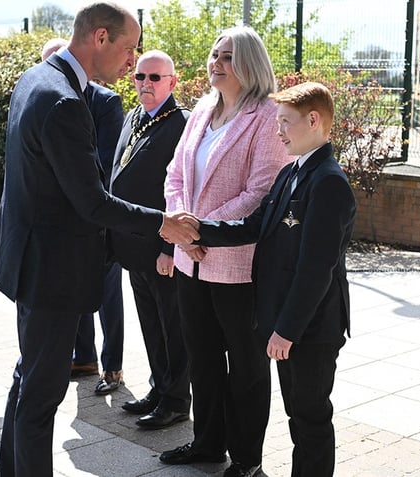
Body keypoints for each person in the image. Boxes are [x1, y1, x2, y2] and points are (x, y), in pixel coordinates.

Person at [0, 3, 199, 475]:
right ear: (100, 37)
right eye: (128, 49)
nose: (132, 64)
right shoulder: (64, 100)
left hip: (30, 261)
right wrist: (163, 224)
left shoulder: (34, 77)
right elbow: (92, 203)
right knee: (41, 397)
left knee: (28, 380)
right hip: (52, 271)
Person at [189, 81, 356, 477]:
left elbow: (317, 269)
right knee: (298, 414)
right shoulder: (292, 173)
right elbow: (254, 225)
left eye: (285, 122)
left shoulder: (327, 181)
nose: (277, 130)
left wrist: (286, 331)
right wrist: (197, 228)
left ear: (313, 120)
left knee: (310, 418)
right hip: (289, 324)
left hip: (310, 329)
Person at [160, 26, 290, 477]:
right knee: (202, 356)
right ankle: (208, 443)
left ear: (251, 63)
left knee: (247, 367)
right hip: (189, 258)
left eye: (227, 56)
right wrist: (180, 226)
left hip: (236, 263)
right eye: (214, 54)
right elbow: (174, 174)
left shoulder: (267, 117)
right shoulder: (201, 110)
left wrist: (202, 232)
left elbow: (262, 192)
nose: (215, 62)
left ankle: (247, 459)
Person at [109, 49, 192, 429]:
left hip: (161, 247)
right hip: (133, 245)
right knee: (150, 324)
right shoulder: (133, 117)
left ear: (172, 82)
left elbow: (182, 191)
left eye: (155, 78)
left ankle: (176, 399)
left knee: (172, 326)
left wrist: (169, 248)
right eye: (140, 77)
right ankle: (160, 387)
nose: (145, 84)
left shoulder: (182, 124)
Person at [41, 37, 127, 394]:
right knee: (75, 292)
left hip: (99, 215)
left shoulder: (105, 102)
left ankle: (113, 367)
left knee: (108, 293)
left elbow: (106, 164)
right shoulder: (48, 97)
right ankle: (85, 357)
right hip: (66, 223)